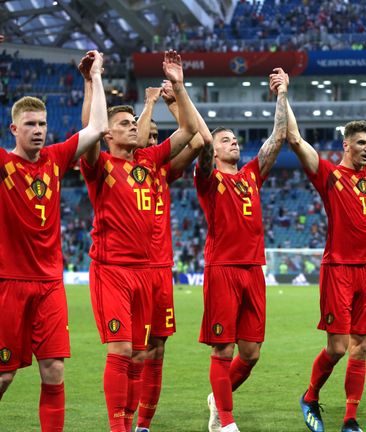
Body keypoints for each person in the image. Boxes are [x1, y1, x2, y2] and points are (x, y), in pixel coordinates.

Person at [80, 50, 198, 431]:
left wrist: (178, 87)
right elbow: (90, 128)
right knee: (121, 352)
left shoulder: (149, 163)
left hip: (151, 272)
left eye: (135, 122)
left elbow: (190, 132)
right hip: (113, 270)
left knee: (144, 354)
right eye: (125, 123)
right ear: (108, 133)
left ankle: (136, 425)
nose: (134, 127)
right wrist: (92, 80)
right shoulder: (100, 166)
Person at [0, 50, 107, 432]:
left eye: (43, 123)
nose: (39, 130)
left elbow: (97, 129)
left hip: (49, 284)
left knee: (54, 370)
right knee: (4, 376)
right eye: (30, 124)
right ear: (14, 129)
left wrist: (93, 77)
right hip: (9, 283)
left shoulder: (56, 158)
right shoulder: (4, 164)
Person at [289, 64, 366, 432]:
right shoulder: (330, 176)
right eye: (360, 144)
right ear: (345, 145)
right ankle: (311, 395)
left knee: (361, 347)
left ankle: (350, 418)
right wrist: (284, 95)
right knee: (336, 348)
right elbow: (296, 140)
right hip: (338, 270)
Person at [197, 68, 288, 432]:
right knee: (224, 351)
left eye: (235, 139)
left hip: (254, 270)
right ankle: (226, 421)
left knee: (250, 354)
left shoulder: (251, 174)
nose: (234, 143)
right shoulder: (208, 179)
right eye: (226, 140)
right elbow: (202, 147)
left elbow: (278, 137)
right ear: (215, 150)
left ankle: (217, 398)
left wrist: (281, 93)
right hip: (223, 268)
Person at [133, 82, 212, 432]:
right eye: (147, 137)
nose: (152, 144)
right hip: (129, 271)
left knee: (157, 349)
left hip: (161, 271)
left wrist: (174, 101)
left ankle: (144, 425)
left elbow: (198, 140)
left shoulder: (163, 170)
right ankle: (121, 420)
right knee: (130, 352)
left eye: (155, 138)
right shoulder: (114, 170)